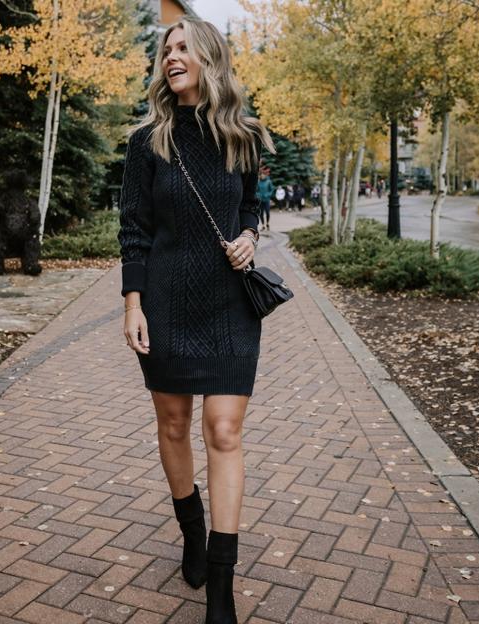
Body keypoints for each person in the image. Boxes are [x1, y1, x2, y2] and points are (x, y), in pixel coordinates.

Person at [117, 18, 275, 624]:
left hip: (229, 302)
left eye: (183, 48)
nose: (171, 57)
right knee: (174, 422)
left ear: (210, 58)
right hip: (166, 301)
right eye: (166, 50)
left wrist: (248, 237)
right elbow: (133, 228)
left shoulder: (243, 136)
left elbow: (249, 207)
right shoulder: (147, 142)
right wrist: (133, 303)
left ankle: (220, 586)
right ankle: (191, 532)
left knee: (224, 431)